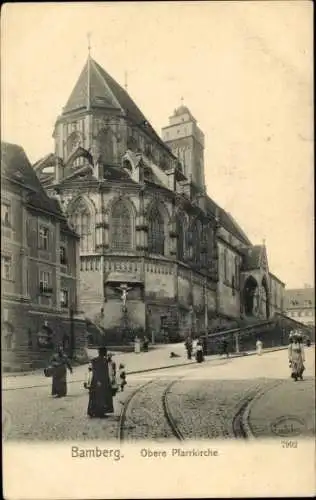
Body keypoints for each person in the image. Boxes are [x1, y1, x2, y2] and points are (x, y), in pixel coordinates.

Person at [86, 346, 114, 418]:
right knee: (100, 397)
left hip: (102, 380)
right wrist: (98, 380)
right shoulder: (98, 361)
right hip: (99, 380)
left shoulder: (102, 360)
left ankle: (98, 411)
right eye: (105, 352)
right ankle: (99, 412)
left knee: (100, 396)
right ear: (103, 352)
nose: (106, 353)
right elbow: (96, 371)